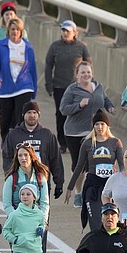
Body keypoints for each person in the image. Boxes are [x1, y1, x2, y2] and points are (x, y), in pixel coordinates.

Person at [59, 61, 114, 205]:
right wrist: (79, 105)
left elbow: (105, 99)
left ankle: (94, 192)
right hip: (74, 132)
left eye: (88, 72)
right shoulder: (72, 90)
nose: (86, 75)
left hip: (94, 132)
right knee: (80, 165)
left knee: (96, 162)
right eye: (82, 72)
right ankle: (78, 193)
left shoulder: (98, 87)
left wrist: (110, 107)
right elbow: (63, 109)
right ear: (77, 75)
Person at [65, 109, 124, 231]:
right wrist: (70, 188)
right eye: (97, 124)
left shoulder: (115, 143)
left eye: (102, 124)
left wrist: (126, 184)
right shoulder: (87, 143)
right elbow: (79, 166)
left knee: (111, 223)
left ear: (107, 126)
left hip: (110, 186)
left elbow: (122, 166)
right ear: (93, 126)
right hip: (92, 187)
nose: (100, 127)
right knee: (96, 223)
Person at [2, 137, 52, 253]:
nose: (23, 158)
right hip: (17, 222)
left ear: (32, 156)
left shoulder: (41, 176)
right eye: (20, 155)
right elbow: (6, 204)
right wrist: (17, 218)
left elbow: (45, 202)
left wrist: (43, 220)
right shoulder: (11, 178)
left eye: (26, 155)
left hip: (35, 221)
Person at [45, 20, 91, 153]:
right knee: (62, 114)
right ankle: (63, 143)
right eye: (63, 30)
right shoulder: (55, 46)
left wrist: (89, 84)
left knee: (78, 112)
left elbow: (88, 65)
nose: (65, 33)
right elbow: (48, 65)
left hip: (78, 87)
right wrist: (49, 84)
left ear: (74, 33)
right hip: (60, 86)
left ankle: (78, 140)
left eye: (68, 31)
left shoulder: (81, 47)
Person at [0, 16, 37, 143]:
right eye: (12, 29)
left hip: (24, 86)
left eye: (17, 29)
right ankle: (6, 142)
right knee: (5, 118)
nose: (15, 32)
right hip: (5, 87)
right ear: (8, 31)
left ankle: (19, 142)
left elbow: (32, 69)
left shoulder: (28, 47)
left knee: (20, 116)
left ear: (21, 31)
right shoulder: (1, 45)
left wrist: (34, 90)